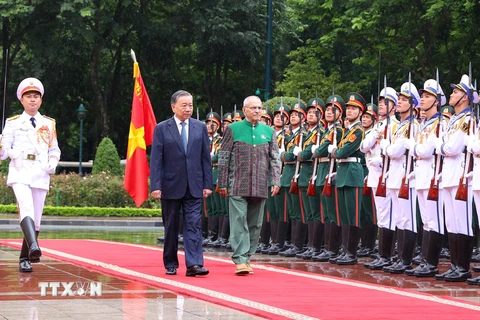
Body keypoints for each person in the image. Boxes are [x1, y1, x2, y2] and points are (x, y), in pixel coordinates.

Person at [0, 77, 61, 273]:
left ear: (41, 100)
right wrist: (4, 146)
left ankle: (25, 257)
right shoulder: (12, 123)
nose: (32, 100)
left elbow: (54, 149)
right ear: (22, 100)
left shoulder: (49, 123)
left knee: (37, 217)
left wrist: (53, 162)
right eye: (28, 96)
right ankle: (34, 247)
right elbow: (2, 154)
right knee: (25, 206)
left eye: (36, 96)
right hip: (20, 170)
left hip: (40, 172)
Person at [150, 90, 212, 277]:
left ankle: (194, 264)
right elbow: (156, 160)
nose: (188, 109)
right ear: (173, 106)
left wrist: (207, 184)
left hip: (194, 185)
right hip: (170, 185)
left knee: (193, 224)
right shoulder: (162, 128)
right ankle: (170, 262)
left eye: (191, 105)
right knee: (171, 226)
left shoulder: (199, 127)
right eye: (184, 105)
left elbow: (205, 158)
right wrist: (156, 186)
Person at [217, 95, 281, 275]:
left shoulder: (268, 131)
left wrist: (276, 180)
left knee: (255, 224)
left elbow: (275, 158)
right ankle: (240, 259)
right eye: (253, 108)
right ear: (244, 110)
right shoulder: (233, 129)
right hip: (238, 183)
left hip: (260, 184)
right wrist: (222, 183)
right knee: (239, 221)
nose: (257, 111)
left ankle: (248, 256)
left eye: (259, 108)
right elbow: (223, 157)